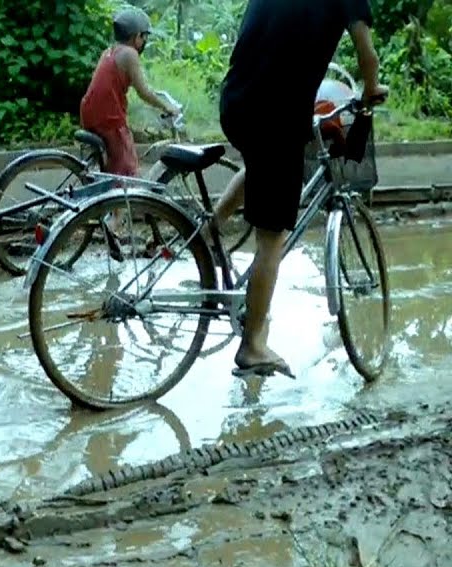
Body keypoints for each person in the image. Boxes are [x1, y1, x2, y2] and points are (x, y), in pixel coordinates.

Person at [207, 0, 388, 379]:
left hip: (236, 103)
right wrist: (372, 88)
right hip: (276, 117)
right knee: (272, 237)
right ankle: (253, 346)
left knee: (259, 165)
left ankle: (211, 227)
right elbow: (367, 55)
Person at [79, 7, 180, 180]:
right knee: (126, 170)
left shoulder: (110, 51)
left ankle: (109, 202)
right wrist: (167, 107)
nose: (144, 41)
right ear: (136, 36)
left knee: (110, 167)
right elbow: (144, 92)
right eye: (144, 36)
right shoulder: (129, 54)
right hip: (108, 117)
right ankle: (123, 205)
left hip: (90, 111)